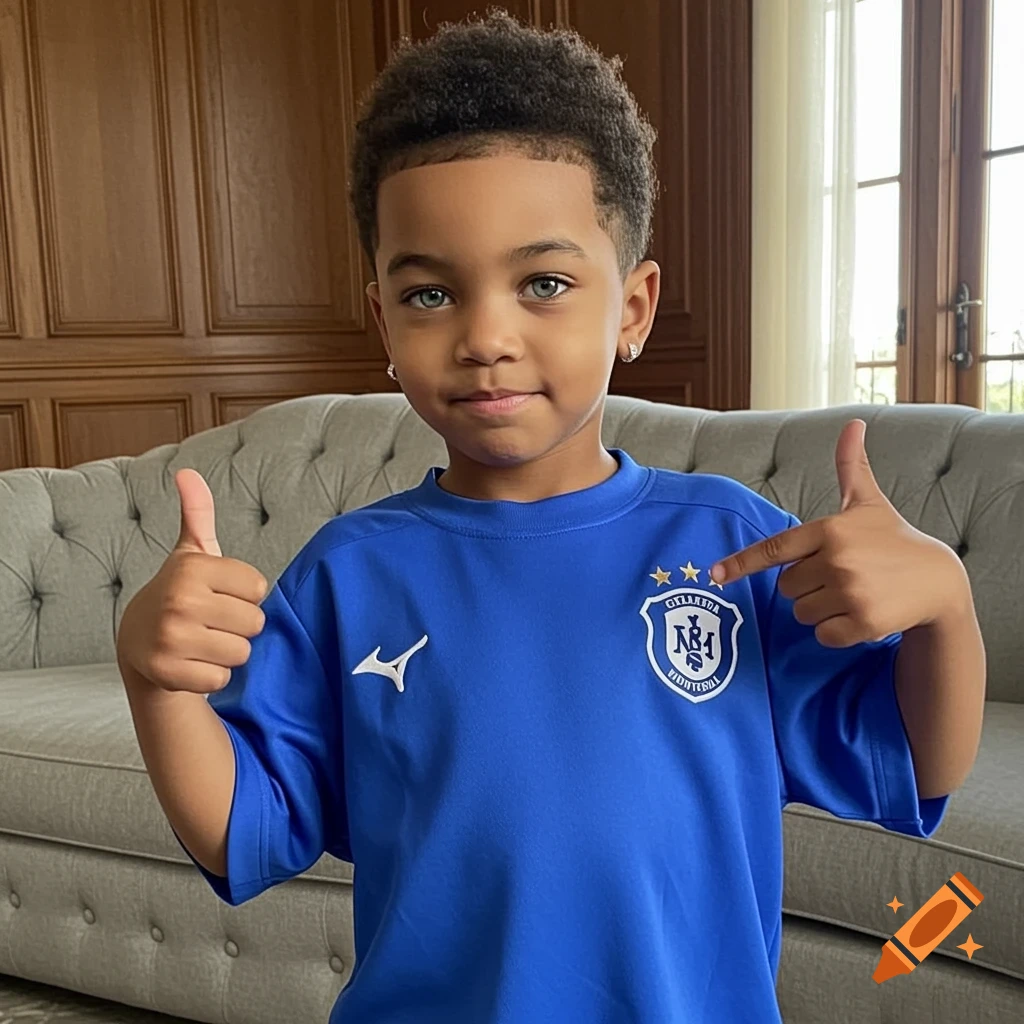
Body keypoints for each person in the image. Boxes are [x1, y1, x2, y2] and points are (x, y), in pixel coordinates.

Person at [115, 9, 987, 1023]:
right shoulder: (347, 574)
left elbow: (917, 760)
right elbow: (243, 830)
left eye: (543, 282)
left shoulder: (729, 547)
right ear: (383, 324)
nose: (486, 335)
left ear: (632, 307)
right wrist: (158, 685)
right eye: (432, 293)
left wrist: (945, 611)